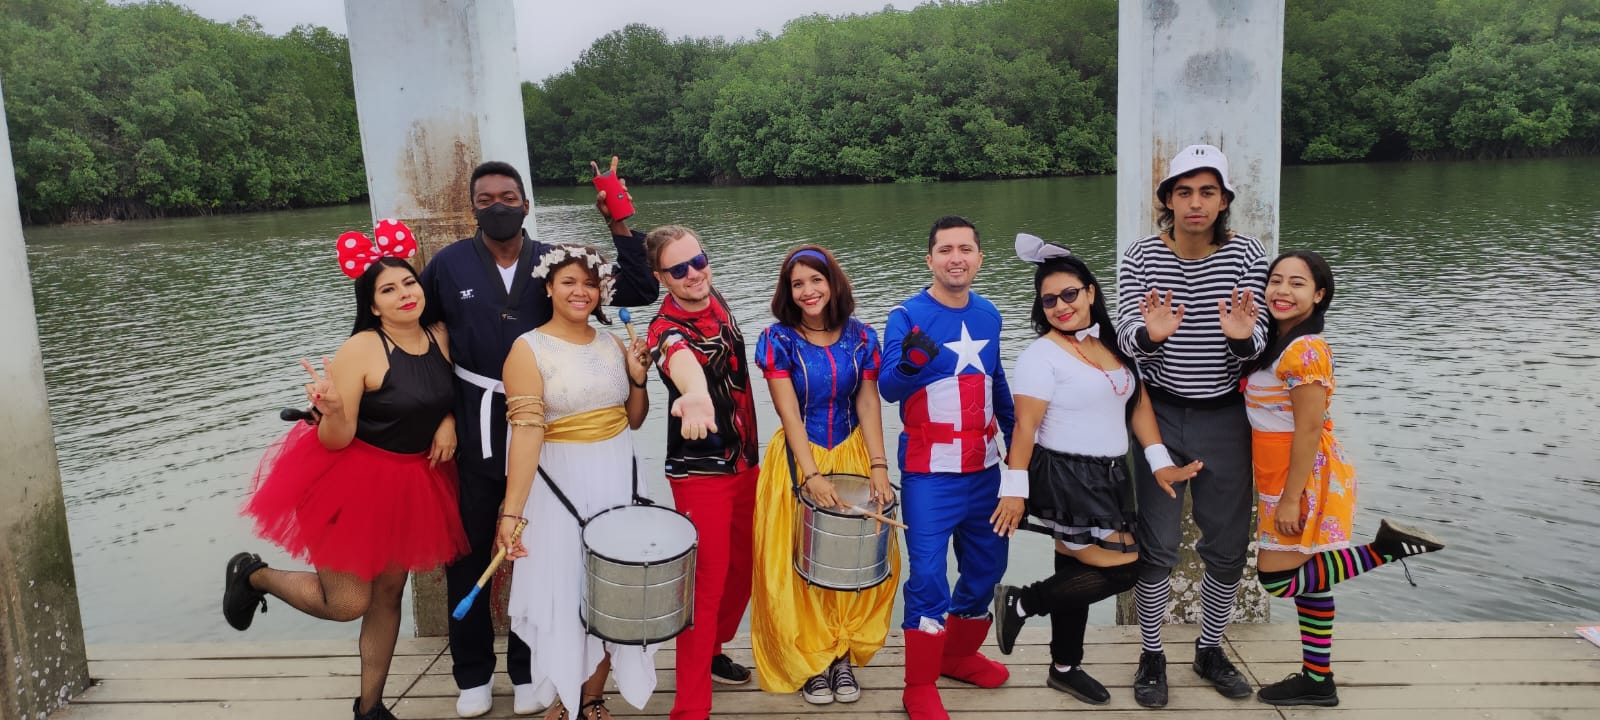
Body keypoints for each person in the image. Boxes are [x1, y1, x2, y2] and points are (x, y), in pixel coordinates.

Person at [420, 159, 658, 717]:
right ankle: (473, 673)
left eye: (508, 197)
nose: (497, 207)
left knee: (550, 548)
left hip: (558, 428)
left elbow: (640, 287)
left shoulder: (553, 261)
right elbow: (419, 331)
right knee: (471, 549)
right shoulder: (449, 264)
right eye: (485, 199)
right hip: (478, 418)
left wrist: (618, 222)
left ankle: (533, 673)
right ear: (473, 206)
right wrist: (441, 413)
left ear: (526, 204)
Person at [223, 223, 470, 720]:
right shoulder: (361, 348)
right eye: (388, 290)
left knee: (388, 595)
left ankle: (370, 708)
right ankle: (254, 576)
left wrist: (447, 420)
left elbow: (449, 392)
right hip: (348, 479)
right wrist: (334, 409)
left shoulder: (440, 336)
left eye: (409, 282)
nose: (404, 294)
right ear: (372, 305)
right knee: (348, 603)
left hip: (413, 481)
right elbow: (333, 438)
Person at [989, 234, 1203, 705]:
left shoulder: (1112, 344)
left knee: (1074, 569)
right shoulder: (1041, 355)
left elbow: (1138, 405)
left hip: (1110, 476)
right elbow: (1024, 428)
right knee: (1126, 569)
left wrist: (1160, 463)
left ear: (1090, 291)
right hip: (1067, 476)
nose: (1060, 306)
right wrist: (1013, 490)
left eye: (1069, 294)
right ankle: (1022, 603)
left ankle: (1064, 667)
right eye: (1049, 300)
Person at [1244, 250, 1444, 707]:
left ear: (1319, 295)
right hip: (1281, 471)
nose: (1282, 290)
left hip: (1299, 477)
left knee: (1277, 581)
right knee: (1313, 581)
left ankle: (1385, 549)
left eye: (1297, 283)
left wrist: (1291, 498)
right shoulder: (1281, 342)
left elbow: (1309, 428)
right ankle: (1318, 681)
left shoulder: (1305, 349)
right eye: (1276, 280)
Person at [1113, 143, 1268, 708]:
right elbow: (1125, 341)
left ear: (1224, 200)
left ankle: (1209, 648)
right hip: (1157, 414)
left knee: (1227, 545)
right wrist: (1150, 334)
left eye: (1208, 192)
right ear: (1168, 200)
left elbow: (1258, 344)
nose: (1195, 203)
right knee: (1156, 545)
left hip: (1226, 416)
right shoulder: (1141, 257)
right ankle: (1152, 653)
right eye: (1184, 192)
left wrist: (1240, 339)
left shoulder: (1248, 254)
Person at [491, 245, 657, 720]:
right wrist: (512, 511)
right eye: (568, 282)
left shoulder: (612, 344)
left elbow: (634, 419)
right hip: (558, 482)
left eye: (589, 284)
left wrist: (639, 379)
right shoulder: (528, 349)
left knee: (612, 587)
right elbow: (526, 432)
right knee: (566, 585)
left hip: (618, 478)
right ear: (548, 288)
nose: (580, 292)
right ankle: (564, 696)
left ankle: (592, 696)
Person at [879, 216, 1016, 720]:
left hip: (986, 470)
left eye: (965, 249)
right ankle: (919, 683)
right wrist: (910, 363)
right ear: (930, 259)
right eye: (945, 250)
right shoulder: (905, 315)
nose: (955, 258)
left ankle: (957, 656)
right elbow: (887, 389)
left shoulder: (989, 314)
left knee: (987, 569)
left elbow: (997, 380)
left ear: (980, 257)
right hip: (929, 474)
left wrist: (1020, 440)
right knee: (929, 578)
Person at [750, 245, 900, 705]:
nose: (808, 291)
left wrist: (879, 466)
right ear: (788, 292)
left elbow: (867, 401)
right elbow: (788, 412)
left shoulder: (862, 336)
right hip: (799, 458)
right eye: (797, 284)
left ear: (833, 283)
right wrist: (811, 475)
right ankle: (811, 661)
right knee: (797, 560)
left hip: (853, 452)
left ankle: (841, 654)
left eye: (816, 280)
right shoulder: (778, 340)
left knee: (852, 557)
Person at [640, 224, 760, 720]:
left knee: (742, 570)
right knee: (705, 585)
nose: (694, 273)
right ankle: (690, 708)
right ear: (660, 278)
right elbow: (681, 361)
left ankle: (712, 650)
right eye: (679, 270)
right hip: (701, 471)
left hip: (747, 461)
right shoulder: (663, 330)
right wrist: (693, 395)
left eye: (699, 260)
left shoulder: (716, 297)